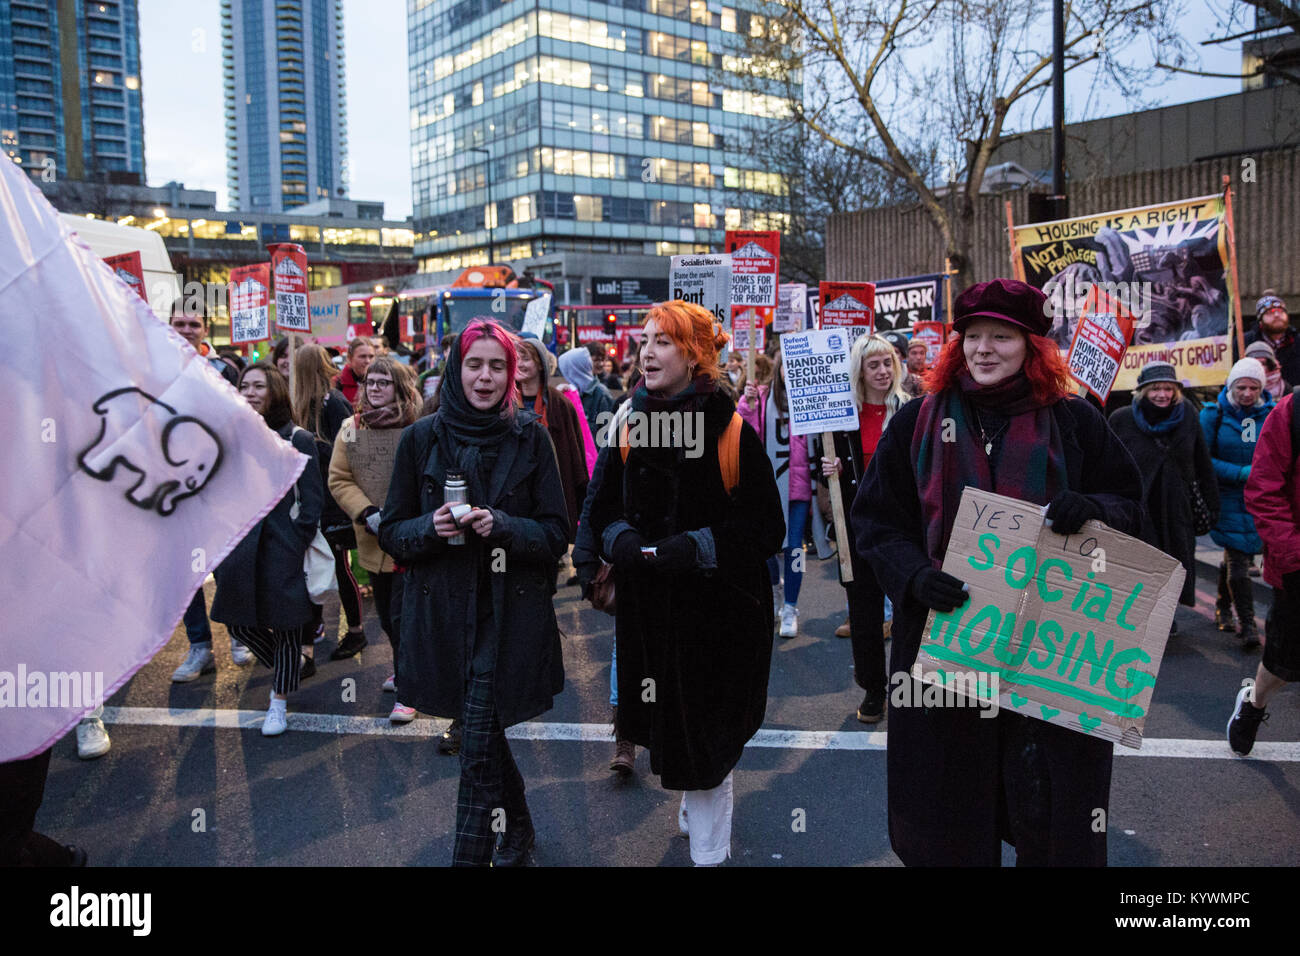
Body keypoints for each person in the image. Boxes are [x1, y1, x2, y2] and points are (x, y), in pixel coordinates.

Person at [854, 278, 1143, 866]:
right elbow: (878, 522)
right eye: (973, 336)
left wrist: (1092, 511)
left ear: (1031, 346)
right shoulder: (916, 423)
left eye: (1002, 337)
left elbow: (1131, 507)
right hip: (945, 645)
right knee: (949, 814)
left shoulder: (1075, 422)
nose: (984, 349)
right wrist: (912, 577)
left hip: (1052, 648)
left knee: (1050, 809)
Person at [588, 300, 785, 865]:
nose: (646, 351)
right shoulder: (627, 422)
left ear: (695, 354)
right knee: (670, 732)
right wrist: (618, 539)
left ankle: (709, 853)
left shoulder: (732, 431)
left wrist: (695, 547)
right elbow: (601, 509)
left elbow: (765, 528)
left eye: (664, 342)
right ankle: (693, 806)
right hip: (649, 618)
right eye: (644, 340)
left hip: (719, 622)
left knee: (705, 746)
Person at [378, 319, 568, 866]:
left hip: (509, 619)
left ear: (513, 373)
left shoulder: (530, 436)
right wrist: (428, 529)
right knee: (483, 739)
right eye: (475, 364)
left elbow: (557, 531)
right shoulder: (421, 437)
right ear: (456, 370)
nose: (485, 377)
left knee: (474, 746)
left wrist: (504, 524)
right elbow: (392, 530)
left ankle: (471, 857)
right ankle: (522, 829)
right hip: (443, 618)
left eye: (498, 366)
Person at [211, 363, 323, 736]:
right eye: (245, 385)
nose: (251, 392)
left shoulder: (298, 439)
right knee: (237, 619)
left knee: (289, 625)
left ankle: (278, 701)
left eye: (259, 385)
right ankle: (288, 665)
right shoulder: (233, 436)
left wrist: (293, 541)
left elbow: (312, 502)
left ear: (275, 390)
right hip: (240, 545)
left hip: (281, 545)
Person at [821, 334, 908, 721]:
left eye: (887, 362)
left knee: (909, 610)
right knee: (864, 614)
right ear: (859, 370)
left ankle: (908, 686)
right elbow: (826, 471)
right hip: (857, 529)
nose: (883, 371)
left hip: (902, 529)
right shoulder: (842, 419)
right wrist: (831, 472)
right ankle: (874, 688)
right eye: (874, 364)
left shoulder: (909, 410)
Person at [329, 356, 422, 720]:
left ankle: (410, 689)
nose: (375, 388)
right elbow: (339, 478)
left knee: (403, 618)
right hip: (373, 538)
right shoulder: (350, 427)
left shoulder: (418, 426)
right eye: (370, 382)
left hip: (412, 540)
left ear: (399, 387)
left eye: (384, 382)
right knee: (385, 618)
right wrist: (366, 512)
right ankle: (405, 669)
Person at [1109, 362, 1219, 631]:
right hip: (1138, 506)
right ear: (1143, 391)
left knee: (1173, 562)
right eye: (1155, 388)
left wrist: (1212, 503)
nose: (1162, 394)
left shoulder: (1189, 415)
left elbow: (1202, 460)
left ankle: (1163, 616)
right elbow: (1110, 465)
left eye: (1168, 388)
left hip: (1175, 505)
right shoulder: (1122, 418)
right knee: (1141, 562)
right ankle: (1144, 616)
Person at [1230, 382, 1300, 754]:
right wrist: (1292, 557)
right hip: (1298, 565)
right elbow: (1263, 490)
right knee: (1283, 663)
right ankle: (1254, 702)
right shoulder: (1291, 412)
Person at [737, 354, 828, 639]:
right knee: (767, 550)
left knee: (795, 550)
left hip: (801, 492)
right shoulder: (763, 398)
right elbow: (747, 434)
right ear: (780, 368)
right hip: (770, 488)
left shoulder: (814, 399)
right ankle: (775, 592)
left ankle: (790, 606)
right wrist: (747, 404)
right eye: (789, 365)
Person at [292, 344, 366, 670]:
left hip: (333, 499)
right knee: (312, 568)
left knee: (337, 565)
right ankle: (307, 646)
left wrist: (314, 450)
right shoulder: (302, 404)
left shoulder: (333, 403)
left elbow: (350, 450)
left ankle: (357, 630)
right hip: (310, 498)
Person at [1201, 357, 1275, 649]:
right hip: (1227, 496)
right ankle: (1248, 624)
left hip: (1260, 496)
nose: (1247, 393)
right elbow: (1203, 460)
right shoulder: (1213, 414)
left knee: (1239, 556)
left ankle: (1222, 604)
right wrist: (1241, 472)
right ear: (1232, 386)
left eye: (1254, 388)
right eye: (1242, 387)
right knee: (1238, 558)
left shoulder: (1272, 413)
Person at [516, 337, 589, 540]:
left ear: (540, 364)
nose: (520, 364)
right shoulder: (506, 403)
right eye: (516, 358)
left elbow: (575, 457)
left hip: (555, 487)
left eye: (526, 358)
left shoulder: (560, 404)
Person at [170, 306, 239, 386]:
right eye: (180, 324)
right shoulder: (154, 367)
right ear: (169, 328)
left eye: (194, 325)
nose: (186, 331)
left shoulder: (225, 371)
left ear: (206, 330)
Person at [558, 346, 616, 438]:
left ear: (575, 370)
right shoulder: (570, 393)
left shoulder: (601, 394)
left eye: (567, 371)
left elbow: (608, 437)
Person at [1245, 293, 1298, 388]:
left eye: (1281, 311)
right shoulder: (1245, 342)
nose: (1277, 315)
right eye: (1270, 312)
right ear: (1260, 321)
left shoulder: (1297, 341)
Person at [335, 337, 375, 406]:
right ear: (350, 358)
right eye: (362, 356)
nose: (367, 361)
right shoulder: (337, 383)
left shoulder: (383, 381)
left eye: (371, 356)